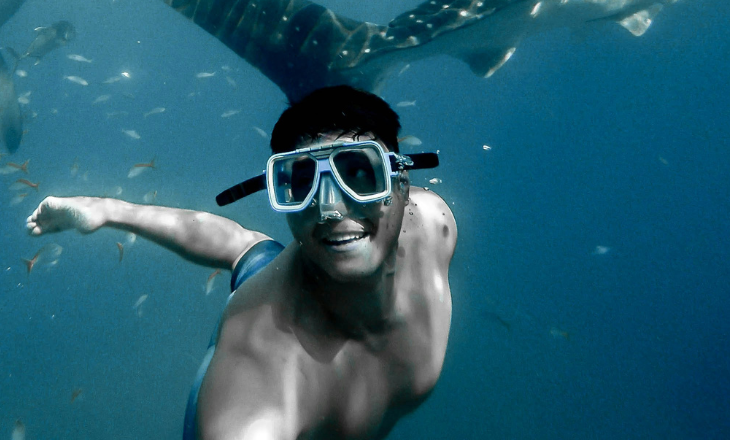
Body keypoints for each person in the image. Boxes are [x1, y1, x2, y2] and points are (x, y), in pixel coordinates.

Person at [26, 85, 456, 440]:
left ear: (403, 181)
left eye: (361, 173)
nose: (330, 208)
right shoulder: (260, 375)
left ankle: (108, 209)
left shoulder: (434, 224)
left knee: (251, 250)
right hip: (262, 326)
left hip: (292, 272)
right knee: (259, 265)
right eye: (300, 182)